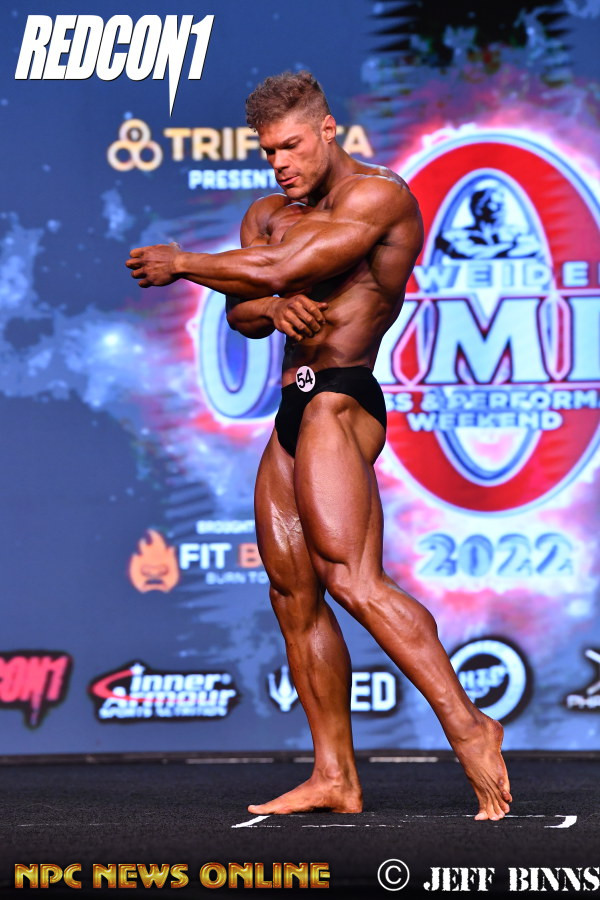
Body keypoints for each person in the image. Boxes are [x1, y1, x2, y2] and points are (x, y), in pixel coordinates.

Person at [126, 71, 512, 822]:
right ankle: (335, 775)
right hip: (291, 407)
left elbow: (277, 268)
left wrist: (184, 263)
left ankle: (471, 726)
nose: (281, 164)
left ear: (328, 129)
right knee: (292, 594)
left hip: (341, 397)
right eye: (269, 152)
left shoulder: (379, 197)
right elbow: (245, 310)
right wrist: (273, 308)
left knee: (353, 579)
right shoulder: (268, 213)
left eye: (292, 146)